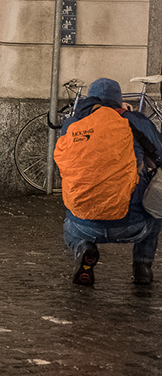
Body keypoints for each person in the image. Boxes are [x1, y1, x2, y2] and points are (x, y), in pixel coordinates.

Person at [55, 78, 162, 285]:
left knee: (70, 222)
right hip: (134, 224)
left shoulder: (73, 125)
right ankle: (142, 267)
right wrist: (128, 115)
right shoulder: (134, 121)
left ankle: (84, 249)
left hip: (83, 225)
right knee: (156, 211)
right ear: (118, 101)